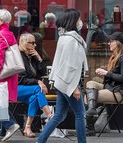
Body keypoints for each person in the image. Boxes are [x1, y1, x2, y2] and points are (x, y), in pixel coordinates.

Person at [37, 8, 88, 143]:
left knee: (59, 115)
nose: (80, 22)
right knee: (80, 115)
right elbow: (70, 66)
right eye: (78, 19)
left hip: (61, 81)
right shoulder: (72, 40)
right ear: (73, 21)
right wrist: (74, 87)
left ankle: (40, 140)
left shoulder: (64, 38)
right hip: (69, 82)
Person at [84, 31, 123, 136]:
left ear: (118, 43)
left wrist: (107, 73)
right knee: (91, 83)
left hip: (119, 92)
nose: (108, 43)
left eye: (111, 41)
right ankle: (92, 113)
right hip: (111, 88)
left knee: (89, 97)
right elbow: (113, 75)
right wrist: (105, 73)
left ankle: (89, 127)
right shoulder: (115, 57)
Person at [0, 9, 20, 141]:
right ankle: (2, 132)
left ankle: (10, 125)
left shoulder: (0, 35)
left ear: (0, 21)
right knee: (2, 102)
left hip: (1, 74)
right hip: (9, 73)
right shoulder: (9, 33)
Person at [17, 33, 53, 138]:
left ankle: (27, 127)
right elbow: (21, 79)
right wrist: (38, 82)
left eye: (35, 43)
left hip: (29, 90)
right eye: (32, 43)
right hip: (16, 89)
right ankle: (49, 115)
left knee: (35, 97)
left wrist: (38, 58)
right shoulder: (19, 57)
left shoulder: (32, 57)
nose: (35, 45)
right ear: (24, 43)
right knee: (38, 89)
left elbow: (42, 73)